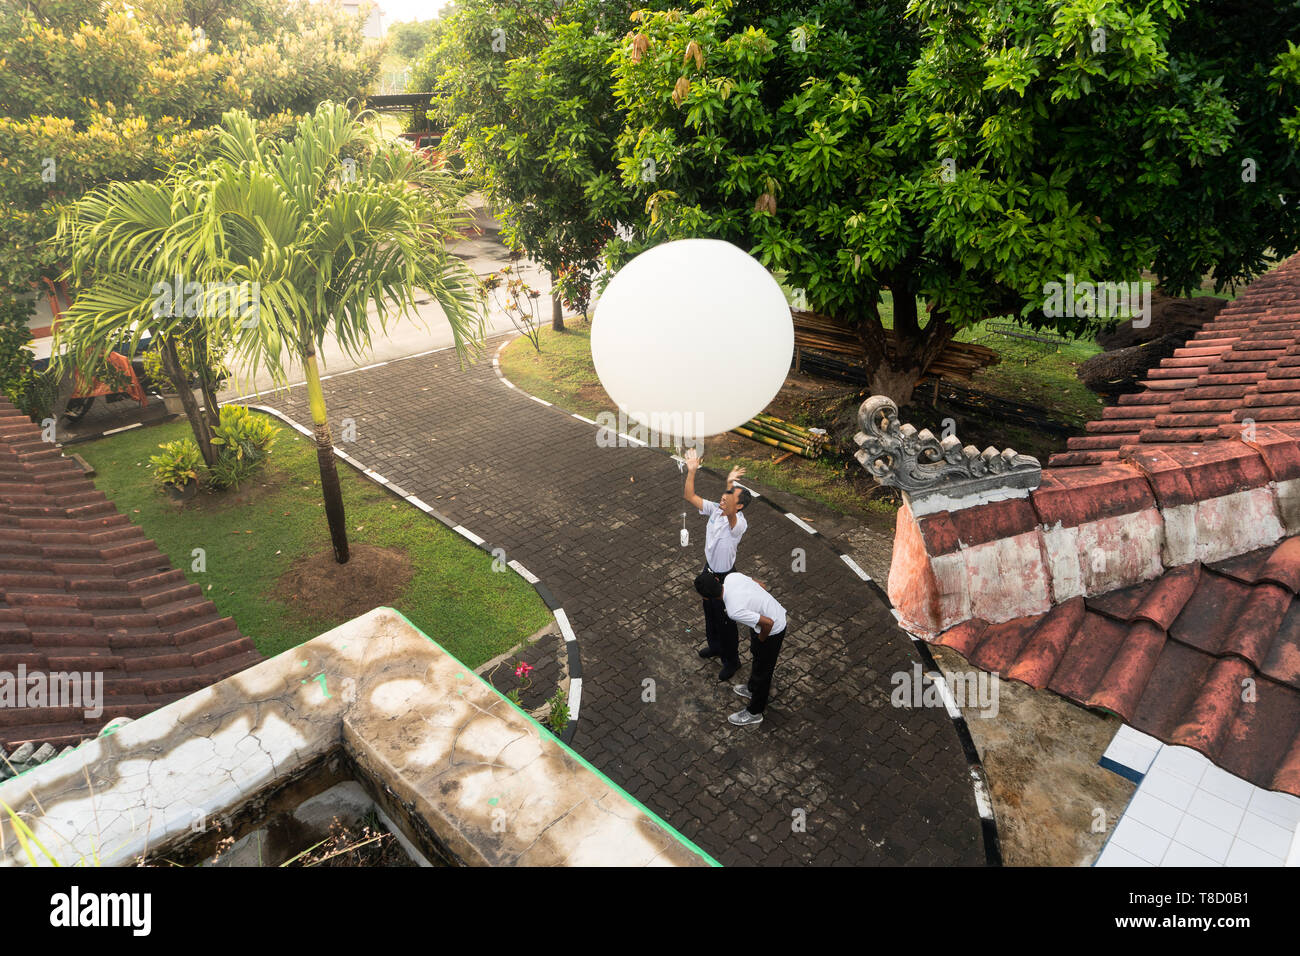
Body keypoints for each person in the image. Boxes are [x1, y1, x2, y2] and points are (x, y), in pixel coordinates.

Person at [682, 447, 751, 681]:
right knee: (709, 613)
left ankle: (732, 661)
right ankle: (715, 647)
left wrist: (731, 484)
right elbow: (690, 496)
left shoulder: (738, 524)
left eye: (729, 498)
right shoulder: (714, 510)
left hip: (725, 578)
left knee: (726, 621)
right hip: (708, 571)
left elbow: (731, 513)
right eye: (724, 495)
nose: (723, 498)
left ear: (739, 506)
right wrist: (691, 471)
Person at [693, 571, 787, 726]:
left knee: (764, 670)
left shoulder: (733, 610)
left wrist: (761, 639)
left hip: (772, 630)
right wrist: (760, 606)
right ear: (717, 579)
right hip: (765, 620)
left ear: (706, 598)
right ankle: (752, 688)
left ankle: (755, 712)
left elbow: (768, 624)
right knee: (757, 658)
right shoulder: (732, 577)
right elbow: (762, 586)